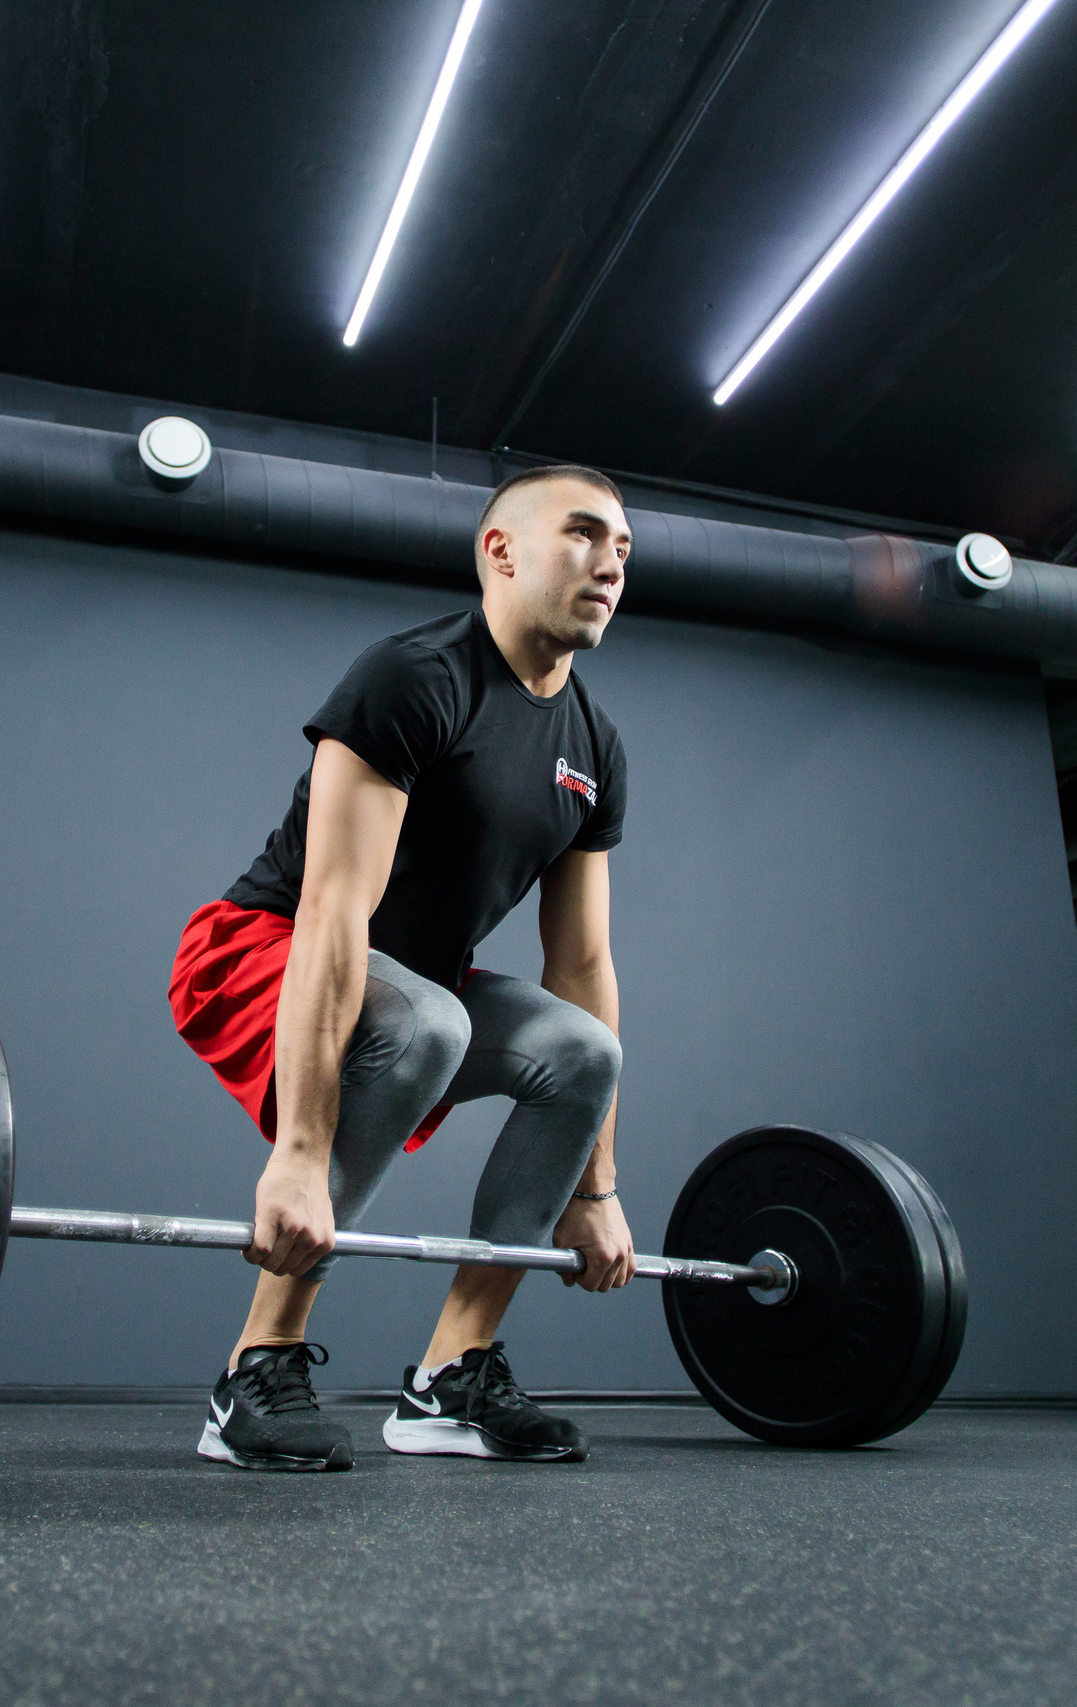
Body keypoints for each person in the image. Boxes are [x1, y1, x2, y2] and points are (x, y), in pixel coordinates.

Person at [167, 463, 635, 1471]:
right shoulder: (413, 677)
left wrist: (594, 1189)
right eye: (584, 535)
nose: (609, 564)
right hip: (264, 951)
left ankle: (449, 1379)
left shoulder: (592, 742)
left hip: (419, 985)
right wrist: (298, 1155)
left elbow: (581, 960)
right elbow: (335, 910)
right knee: (430, 1023)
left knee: (583, 1054)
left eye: (623, 551)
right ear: (499, 551)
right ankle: (254, 1369)